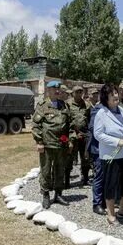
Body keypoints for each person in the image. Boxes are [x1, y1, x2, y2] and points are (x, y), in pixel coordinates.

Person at [94, 84, 123, 225]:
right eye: (112, 94)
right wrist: (117, 141)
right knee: (111, 186)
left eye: (116, 93)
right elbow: (98, 134)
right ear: (105, 98)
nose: (116, 96)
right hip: (111, 155)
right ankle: (111, 214)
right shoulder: (101, 113)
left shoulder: (121, 110)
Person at [31, 80, 75, 209]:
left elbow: (70, 125)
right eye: (54, 89)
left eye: (58, 89)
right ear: (48, 90)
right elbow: (36, 125)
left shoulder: (64, 106)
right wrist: (39, 142)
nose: (57, 91)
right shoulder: (42, 106)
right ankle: (45, 195)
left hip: (61, 145)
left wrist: (71, 139)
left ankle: (58, 194)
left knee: (60, 170)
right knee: (46, 171)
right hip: (47, 145)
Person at [66, 85, 91, 187]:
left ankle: (85, 178)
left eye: (81, 92)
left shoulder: (87, 105)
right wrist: (71, 134)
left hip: (84, 135)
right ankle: (66, 181)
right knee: (69, 158)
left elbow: (90, 119)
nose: (79, 93)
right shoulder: (68, 104)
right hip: (72, 134)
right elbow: (66, 120)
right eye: (77, 92)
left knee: (85, 158)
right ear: (72, 93)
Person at [87, 97, 106, 215]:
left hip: (109, 148)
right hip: (98, 149)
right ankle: (97, 204)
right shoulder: (97, 110)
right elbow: (93, 128)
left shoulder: (113, 109)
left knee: (107, 176)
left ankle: (105, 200)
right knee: (99, 176)